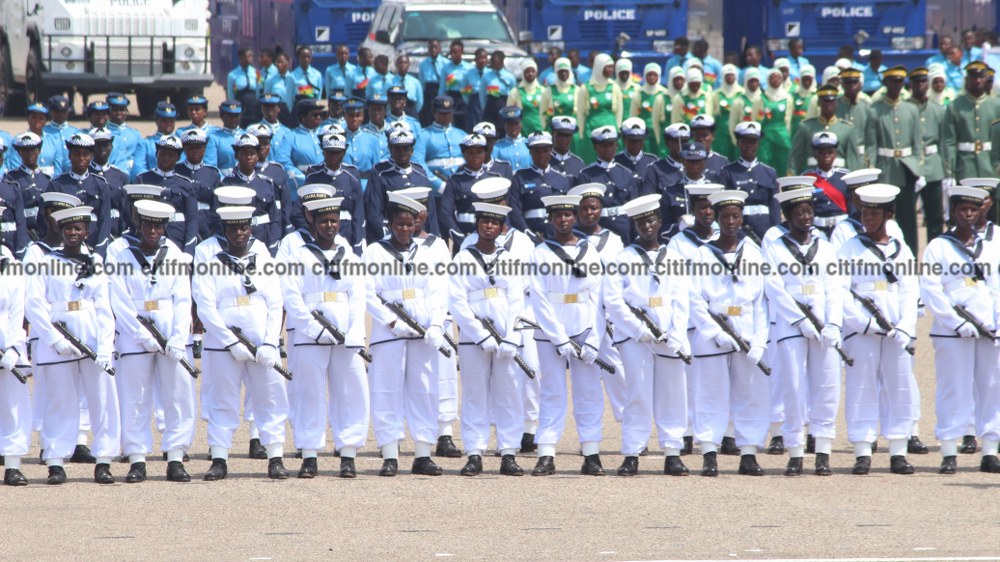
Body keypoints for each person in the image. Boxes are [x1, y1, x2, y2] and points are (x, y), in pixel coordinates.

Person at [25, 205, 120, 485]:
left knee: (102, 402)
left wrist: (104, 346)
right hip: (57, 342)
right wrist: (54, 339)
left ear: (86, 232)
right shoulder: (45, 261)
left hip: (90, 337)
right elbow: (34, 304)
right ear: (60, 231)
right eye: (68, 228)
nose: (73, 233)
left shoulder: (97, 262)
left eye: (78, 228)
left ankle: (104, 460)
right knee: (60, 402)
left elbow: (104, 307)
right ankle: (55, 461)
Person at [193, 204, 288, 480]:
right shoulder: (212, 262)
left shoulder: (263, 257)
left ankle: (275, 457)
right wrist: (228, 341)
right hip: (225, 346)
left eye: (244, 227)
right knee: (222, 400)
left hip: (260, 343)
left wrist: (271, 342)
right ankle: (220, 458)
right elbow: (205, 307)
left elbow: (275, 302)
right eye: (233, 228)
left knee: (270, 398)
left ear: (250, 229)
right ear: (225, 229)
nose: (239, 232)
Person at [281, 195, 370, 478]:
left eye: (333, 220)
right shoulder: (300, 255)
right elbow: (292, 297)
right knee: (310, 393)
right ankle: (309, 454)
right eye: (323, 221)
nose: (329, 226)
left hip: (345, 335)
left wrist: (354, 331)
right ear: (313, 222)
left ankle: (348, 454)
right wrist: (312, 327)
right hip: (311, 334)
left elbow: (358, 297)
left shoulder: (350, 255)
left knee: (351, 392)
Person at [106, 199, 195, 483]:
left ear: (164, 227)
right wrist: (141, 335)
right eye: (147, 225)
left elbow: (183, 300)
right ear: (139, 225)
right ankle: (137, 458)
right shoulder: (123, 257)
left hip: (171, 334)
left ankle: (176, 457)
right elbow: (119, 302)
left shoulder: (176, 255)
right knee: (134, 396)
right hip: (135, 336)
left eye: (158, 225)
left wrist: (178, 338)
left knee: (178, 396)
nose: (152, 231)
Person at [835, 184, 919, 476]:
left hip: (895, 333)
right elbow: (840, 292)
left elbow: (910, 290)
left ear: (888, 215)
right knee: (861, 388)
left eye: (873, 214)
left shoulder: (900, 249)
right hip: (863, 333)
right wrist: (864, 323)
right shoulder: (849, 248)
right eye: (864, 213)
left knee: (900, 387)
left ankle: (898, 450)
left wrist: (907, 327)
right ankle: (862, 450)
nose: (867, 219)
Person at [604, 193, 690, 475]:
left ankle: (673, 451)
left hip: (667, 335)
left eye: (651, 219)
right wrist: (638, 329)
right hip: (635, 339)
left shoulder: (674, 257)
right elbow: (614, 301)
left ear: (660, 221)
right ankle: (632, 452)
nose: (646, 226)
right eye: (640, 222)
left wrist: (677, 334)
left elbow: (681, 299)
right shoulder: (623, 258)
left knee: (673, 394)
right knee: (638, 394)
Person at [363, 192, 448, 476]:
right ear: (389, 224)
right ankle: (390, 454)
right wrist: (390, 322)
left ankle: (423, 453)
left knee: (424, 390)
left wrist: (437, 324)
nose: (403, 229)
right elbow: (368, 293)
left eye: (408, 224)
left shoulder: (425, 253)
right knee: (386, 390)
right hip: (390, 334)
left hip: (422, 333)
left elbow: (437, 291)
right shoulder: (374, 251)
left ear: (415, 225)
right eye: (398, 224)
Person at [688, 190, 770, 477]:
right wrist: (713, 331)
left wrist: (760, 339)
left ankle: (748, 453)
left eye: (736, 216)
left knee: (750, 393)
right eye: (725, 217)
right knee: (710, 394)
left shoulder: (753, 253)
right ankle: (710, 452)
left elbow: (761, 301)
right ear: (717, 219)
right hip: (714, 334)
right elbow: (694, 299)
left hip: (746, 330)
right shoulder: (702, 253)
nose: (731, 222)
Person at [763, 186, 843, 476]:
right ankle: (795, 450)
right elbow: (775, 290)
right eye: (800, 212)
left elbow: (835, 288)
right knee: (794, 388)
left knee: (826, 387)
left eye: (809, 211)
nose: (806, 216)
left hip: (824, 327)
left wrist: (833, 323)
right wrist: (800, 321)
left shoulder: (826, 248)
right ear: (787, 216)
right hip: (791, 327)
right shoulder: (775, 249)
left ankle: (822, 450)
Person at [920, 185, 1000, 474]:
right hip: (952, 331)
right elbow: (931, 289)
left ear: (981, 211)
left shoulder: (990, 246)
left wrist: (997, 323)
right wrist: (957, 322)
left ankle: (990, 449)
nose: (968, 214)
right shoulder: (938, 246)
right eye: (962, 209)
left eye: (973, 209)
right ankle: (949, 451)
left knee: (991, 388)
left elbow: (996, 288)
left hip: (987, 330)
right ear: (953, 212)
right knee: (953, 389)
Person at [527, 194, 607, 476]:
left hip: (584, 327)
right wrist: (559, 337)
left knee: (589, 393)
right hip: (551, 332)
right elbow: (538, 298)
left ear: (575, 217)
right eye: (557, 216)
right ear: (550, 219)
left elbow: (598, 298)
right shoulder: (540, 252)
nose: (563, 220)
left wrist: (595, 339)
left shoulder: (590, 250)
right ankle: (547, 452)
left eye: (568, 215)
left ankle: (592, 453)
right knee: (551, 391)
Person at [447, 200, 526, 476]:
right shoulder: (463, 258)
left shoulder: (509, 260)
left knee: (509, 394)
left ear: (503, 228)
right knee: (474, 395)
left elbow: (517, 301)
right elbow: (457, 301)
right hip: (474, 339)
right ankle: (475, 452)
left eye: (494, 222)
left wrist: (513, 336)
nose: (489, 226)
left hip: (506, 339)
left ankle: (508, 452)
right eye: (484, 221)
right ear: (477, 224)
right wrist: (480, 335)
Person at [868, 66, 932, 253]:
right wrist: (872, 169)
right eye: (892, 81)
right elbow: (872, 144)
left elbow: (917, 143)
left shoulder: (911, 109)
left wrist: (919, 170)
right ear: (885, 83)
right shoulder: (875, 110)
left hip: (906, 169)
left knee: (908, 218)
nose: (896, 85)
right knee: (882, 215)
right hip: (885, 168)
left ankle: (910, 255)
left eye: (899, 81)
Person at [944, 61, 1000, 221]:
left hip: (989, 166)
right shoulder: (955, 106)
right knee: (965, 213)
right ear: (966, 79)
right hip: (964, 165)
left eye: (981, 77)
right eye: (973, 77)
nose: (977, 81)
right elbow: (949, 141)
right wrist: (949, 172)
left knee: (989, 213)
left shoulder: (996, 105)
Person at [365, 129, 439, 242]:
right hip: (392, 236)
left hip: (420, 237)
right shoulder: (381, 174)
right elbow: (374, 212)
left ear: (412, 151)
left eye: (406, 149)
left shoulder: (420, 173)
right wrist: (388, 237)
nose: (402, 153)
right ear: (390, 150)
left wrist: (434, 237)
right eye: (397, 149)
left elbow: (431, 212)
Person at [46, 133, 114, 256]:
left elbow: (105, 222)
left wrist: (99, 251)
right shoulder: (56, 184)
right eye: (77, 153)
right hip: (65, 248)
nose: (81, 158)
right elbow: (48, 219)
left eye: (85, 154)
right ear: (69, 156)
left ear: (91, 156)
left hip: (94, 247)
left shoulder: (101, 185)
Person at [0, 204, 28, 486]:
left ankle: (12, 464)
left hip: (6, 344)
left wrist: (13, 347)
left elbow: (16, 312)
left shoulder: (11, 264)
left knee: (12, 406)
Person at [219, 133, 283, 256]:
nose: (248, 157)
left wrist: (273, 245)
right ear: (236, 155)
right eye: (244, 153)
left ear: (258, 156)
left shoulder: (267, 183)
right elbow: (219, 219)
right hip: (236, 240)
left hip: (264, 237)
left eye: (252, 153)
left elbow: (275, 219)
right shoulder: (226, 184)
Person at [719, 122, 780, 240]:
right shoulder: (728, 172)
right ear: (738, 143)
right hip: (740, 227)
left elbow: (774, 205)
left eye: (753, 142)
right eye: (745, 141)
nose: (749, 146)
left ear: (758, 144)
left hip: (765, 226)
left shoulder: (769, 172)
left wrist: (776, 229)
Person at [303, 134, 365, 248]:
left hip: (347, 231)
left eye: (338, 152)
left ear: (344, 152)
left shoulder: (352, 176)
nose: (334, 156)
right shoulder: (313, 177)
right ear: (323, 152)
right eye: (330, 152)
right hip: (321, 233)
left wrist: (358, 243)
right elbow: (304, 209)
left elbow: (358, 214)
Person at [439, 133, 502, 244]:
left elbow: (502, 211)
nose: (475, 156)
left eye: (479, 152)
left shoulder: (495, 179)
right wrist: (460, 237)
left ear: (485, 153)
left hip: (491, 238)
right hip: (464, 236)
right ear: (464, 154)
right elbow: (445, 213)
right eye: (470, 153)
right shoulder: (455, 180)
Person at [575, 126, 636, 239]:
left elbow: (633, 206)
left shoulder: (626, 173)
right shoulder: (586, 174)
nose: (607, 149)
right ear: (595, 147)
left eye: (611, 145)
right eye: (603, 145)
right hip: (599, 226)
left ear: (616, 146)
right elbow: (582, 207)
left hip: (624, 226)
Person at [508, 132, 571, 238]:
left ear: (551, 150)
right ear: (530, 152)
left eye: (545, 151)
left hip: (556, 235)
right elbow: (514, 210)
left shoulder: (562, 179)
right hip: (529, 234)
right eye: (537, 151)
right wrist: (526, 232)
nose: (541, 155)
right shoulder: (520, 177)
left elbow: (569, 210)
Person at [789, 84, 860, 174]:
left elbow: (853, 159)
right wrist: (793, 177)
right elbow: (796, 156)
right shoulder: (806, 127)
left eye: (832, 101)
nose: (828, 104)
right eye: (825, 101)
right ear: (819, 102)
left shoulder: (847, 128)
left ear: (837, 102)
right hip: (813, 177)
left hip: (840, 178)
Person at [1, 133, 45, 255]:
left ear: (39, 151)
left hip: (44, 234)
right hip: (23, 234)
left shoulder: (47, 180)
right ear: (19, 153)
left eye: (33, 149)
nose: (29, 153)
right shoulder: (12, 179)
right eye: (25, 150)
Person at [800, 132, 851, 236]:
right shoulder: (806, 178)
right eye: (821, 152)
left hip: (842, 229)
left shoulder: (846, 177)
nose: (826, 155)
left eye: (830, 151)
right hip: (817, 230)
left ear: (835, 154)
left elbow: (852, 206)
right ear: (815, 154)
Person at [575, 54, 623, 164]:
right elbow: (581, 114)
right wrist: (581, 134)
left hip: (611, 130)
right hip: (591, 131)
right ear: (599, 67)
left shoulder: (614, 87)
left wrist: (618, 130)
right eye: (608, 67)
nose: (611, 70)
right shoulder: (586, 88)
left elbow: (619, 113)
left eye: (612, 67)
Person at [414, 96, 466, 194]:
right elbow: (418, 163)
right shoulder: (424, 135)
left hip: (461, 189)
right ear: (434, 113)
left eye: (449, 113)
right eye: (442, 113)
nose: (446, 116)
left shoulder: (462, 134)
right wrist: (439, 185)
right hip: (436, 191)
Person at [176, 128, 222, 242]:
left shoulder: (212, 173)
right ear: (184, 149)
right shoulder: (176, 171)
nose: (195, 151)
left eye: (199, 147)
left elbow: (216, 205)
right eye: (191, 147)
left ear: (205, 148)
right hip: (181, 223)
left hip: (206, 224)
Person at [3, 102, 68, 177]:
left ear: (46, 121)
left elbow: (58, 168)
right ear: (28, 119)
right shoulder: (18, 140)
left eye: (41, 118)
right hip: (25, 180)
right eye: (33, 117)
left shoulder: (53, 140)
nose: (37, 121)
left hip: (49, 182)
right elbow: (15, 165)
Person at [274, 99, 326, 189]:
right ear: (303, 117)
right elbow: (282, 161)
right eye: (314, 115)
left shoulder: (324, 134)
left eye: (321, 115)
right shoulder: (291, 136)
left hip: (326, 185)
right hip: (302, 187)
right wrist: (303, 178)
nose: (318, 117)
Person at [87, 127, 128, 239]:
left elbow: (125, 211)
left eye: (106, 145)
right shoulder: (85, 175)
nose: (102, 149)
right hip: (91, 233)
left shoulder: (121, 177)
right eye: (97, 145)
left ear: (111, 146)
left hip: (116, 234)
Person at [754, 68, 793, 177]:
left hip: (782, 136)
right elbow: (755, 119)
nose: (775, 80)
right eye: (772, 78)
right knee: (765, 163)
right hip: (766, 136)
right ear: (768, 80)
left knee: (782, 163)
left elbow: (788, 120)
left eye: (778, 77)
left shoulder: (787, 98)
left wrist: (786, 134)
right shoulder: (761, 98)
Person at [131, 102, 178, 180]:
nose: (168, 123)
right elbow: (138, 168)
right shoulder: (145, 143)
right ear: (157, 121)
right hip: (151, 184)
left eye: (171, 120)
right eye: (164, 120)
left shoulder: (180, 143)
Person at [836, 68, 873, 166]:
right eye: (848, 82)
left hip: (861, 159)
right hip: (839, 159)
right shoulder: (835, 106)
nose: (852, 85)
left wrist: (870, 161)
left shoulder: (866, 107)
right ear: (842, 84)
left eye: (855, 82)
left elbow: (871, 140)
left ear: (860, 85)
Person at [631, 63, 669, 158]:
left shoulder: (664, 93)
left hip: (659, 133)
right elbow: (633, 115)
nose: (652, 77)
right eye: (649, 74)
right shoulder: (639, 93)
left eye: (654, 75)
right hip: (644, 133)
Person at [479, 50, 517, 133]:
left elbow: (514, 94)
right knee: (488, 130)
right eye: (491, 60)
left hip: (504, 105)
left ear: (501, 61)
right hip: (490, 106)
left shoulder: (510, 77)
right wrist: (484, 107)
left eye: (494, 61)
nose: (491, 63)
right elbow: (482, 94)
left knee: (502, 130)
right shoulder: (486, 76)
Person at [711, 64, 743, 161]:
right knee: (722, 154)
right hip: (721, 130)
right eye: (727, 75)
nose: (730, 77)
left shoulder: (742, 93)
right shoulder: (716, 94)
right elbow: (713, 112)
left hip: (738, 128)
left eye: (732, 75)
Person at [105, 93, 142, 174]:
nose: (119, 113)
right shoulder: (104, 133)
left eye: (122, 109)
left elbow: (140, 157)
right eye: (115, 110)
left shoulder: (135, 134)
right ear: (108, 111)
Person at [615, 117, 658, 185]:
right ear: (624, 140)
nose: (636, 144)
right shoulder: (616, 162)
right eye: (632, 141)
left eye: (640, 140)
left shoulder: (652, 161)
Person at [507, 59, 544, 136]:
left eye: (532, 71)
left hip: (541, 128)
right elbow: (509, 112)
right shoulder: (515, 92)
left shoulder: (544, 91)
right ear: (523, 73)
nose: (530, 74)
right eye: (527, 71)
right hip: (523, 130)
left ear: (536, 73)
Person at [227, 47, 262, 128]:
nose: (251, 58)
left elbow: (259, 89)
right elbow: (231, 93)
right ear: (241, 57)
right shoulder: (232, 75)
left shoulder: (257, 72)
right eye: (248, 56)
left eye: (252, 56)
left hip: (253, 106)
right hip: (241, 104)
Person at [729, 68, 762, 151]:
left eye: (756, 81)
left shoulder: (764, 100)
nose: (754, 84)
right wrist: (735, 140)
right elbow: (732, 122)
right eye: (751, 81)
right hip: (743, 141)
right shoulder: (739, 101)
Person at [493, 106, 530, 172]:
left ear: (521, 124)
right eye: (510, 124)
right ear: (504, 125)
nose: (513, 127)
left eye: (516, 123)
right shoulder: (497, 147)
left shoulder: (529, 144)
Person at [264, 52, 297, 125]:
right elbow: (267, 97)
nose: (279, 64)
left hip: (291, 110)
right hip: (277, 110)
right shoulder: (270, 79)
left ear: (288, 63)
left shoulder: (293, 78)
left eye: (281, 62)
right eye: (277, 62)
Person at [419, 40, 445, 126]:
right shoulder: (423, 64)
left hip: (440, 89)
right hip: (429, 91)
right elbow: (422, 81)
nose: (433, 50)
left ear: (439, 49)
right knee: (427, 116)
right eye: (431, 48)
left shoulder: (445, 63)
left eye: (435, 47)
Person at [791, 65, 816, 134]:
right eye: (804, 79)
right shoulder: (794, 95)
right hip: (796, 130)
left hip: (811, 129)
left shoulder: (816, 95)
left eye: (809, 79)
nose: (806, 82)